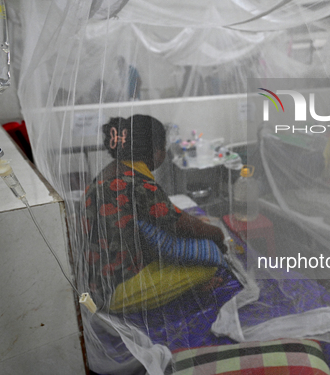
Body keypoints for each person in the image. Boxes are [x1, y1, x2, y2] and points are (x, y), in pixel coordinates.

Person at [82, 115, 226, 311]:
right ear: (156, 151)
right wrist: (218, 234)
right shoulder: (139, 184)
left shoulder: (110, 172)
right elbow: (182, 224)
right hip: (112, 293)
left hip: (94, 282)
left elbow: (165, 215)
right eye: (164, 147)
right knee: (208, 265)